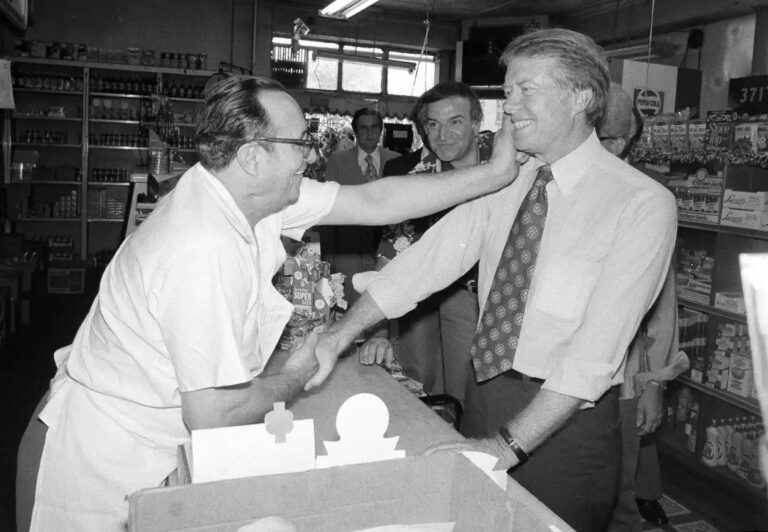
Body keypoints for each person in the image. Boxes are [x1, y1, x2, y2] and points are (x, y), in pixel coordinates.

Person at [19, 75, 521, 531]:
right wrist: (296, 375)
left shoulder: (247, 194)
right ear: (253, 157)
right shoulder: (201, 245)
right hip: (96, 465)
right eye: (299, 143)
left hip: (150, 445)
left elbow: (375, 201)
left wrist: (495, 175)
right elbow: (215, 414)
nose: (310, 156)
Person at [310, 28, 677, 531]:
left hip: (565, 420)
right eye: (507, 91)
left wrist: (505, 446)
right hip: (482, 390)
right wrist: (340, 334)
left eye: (526, 90)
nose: (510, 106)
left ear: (580, 97)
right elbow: (427, 261)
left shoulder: (640, 203)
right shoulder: (508, 177)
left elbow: (595, 354)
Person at [361, 82, 491, 404]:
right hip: (424, 297)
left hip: (482, 296)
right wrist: (378, 331)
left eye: (455, 122)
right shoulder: (419, 179)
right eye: (434, 124)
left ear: (476, 123)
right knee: (418, 384)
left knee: (468, 391)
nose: (443, 135)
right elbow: (389, 255)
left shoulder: (506, 161)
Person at [598, 83, 689, 531]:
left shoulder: (646, 202)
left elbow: (661, 309)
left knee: (617, 493)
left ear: (618, 143)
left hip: (621, 378)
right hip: (552, 383)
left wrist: (654, 384)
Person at [320, 107, 399, 305]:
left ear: (381, 130)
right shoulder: (338, 161)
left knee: (386, 306)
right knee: (349, 306)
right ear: (355, 131)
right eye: (364, 128)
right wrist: (328, 257)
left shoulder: (397, 161)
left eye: (374, 127)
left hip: (388, 253)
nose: (369, 132)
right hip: (348, 252)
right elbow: (328, 210)